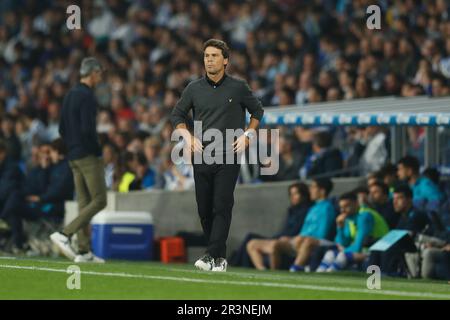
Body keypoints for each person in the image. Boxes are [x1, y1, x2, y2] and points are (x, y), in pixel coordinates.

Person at [170, 39, 264, 272]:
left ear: (225, 61)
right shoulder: (193, 88)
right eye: (206, 56)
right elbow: (177, 116)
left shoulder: (238, 87)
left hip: (228, 155)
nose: (209, 60)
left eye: (214, 56)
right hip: (201, 155)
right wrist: (188, 137)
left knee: (221, 205)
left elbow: (258, 111)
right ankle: (219, 258)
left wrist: (247, 136)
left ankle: (210, 255)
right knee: (204, 209)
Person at [50, 57, 107, 263]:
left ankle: (83, 251)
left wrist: (72, 148)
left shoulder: (70, 95)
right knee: (100, 200)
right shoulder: (88, 97)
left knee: (84, 203)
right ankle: (65, 234)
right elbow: (87, 129)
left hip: (73, 156)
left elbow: (61, 129)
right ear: (92, 73)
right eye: (99, 73)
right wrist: (97, 151)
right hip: (87, 155)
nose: (101, 77)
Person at [269, 178, 336, 271]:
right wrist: (294, 238)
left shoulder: (327, 208)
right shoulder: (313, 208)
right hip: (302, 240)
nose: (310, 190)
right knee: (276, 244)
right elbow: (304, 230)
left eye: (313, 187)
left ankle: (295, 268)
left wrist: (302, 238)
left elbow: (322, 234)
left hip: (318, 242)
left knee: (307, 241)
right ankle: (273, 273)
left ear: (322, 191)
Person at [243, 182, 311, 269]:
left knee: (273, 245)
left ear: (304, 195)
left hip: (292, 240)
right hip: (280, 238)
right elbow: (283, 230)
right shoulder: (291, 210)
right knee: (251, 243)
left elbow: (301, 230)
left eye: (295, 194)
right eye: (291, 194)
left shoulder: (308, 211)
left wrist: (289, 237)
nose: (292, 197)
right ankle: (262, 271)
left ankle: (273, 272)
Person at [316, 191, 389, 272]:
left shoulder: (365, 215)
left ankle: (329, 276)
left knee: (342, 255)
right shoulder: (349, 218)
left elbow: (358, 246)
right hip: (364, 251)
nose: (343, 210)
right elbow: (343, 243)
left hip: (378, 252)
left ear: (356, 203)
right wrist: (339, 227)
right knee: (330, 253)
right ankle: (318, 276)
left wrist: (343, 250)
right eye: (341, 207)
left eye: (346, 206)